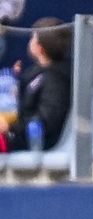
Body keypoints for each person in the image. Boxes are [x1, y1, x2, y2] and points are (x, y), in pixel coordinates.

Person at [4, 18, 69, 152]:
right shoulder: (37, 75)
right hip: (20, 136)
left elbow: (46, 120)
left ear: (39, 48)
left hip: (35, 143)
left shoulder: (55, 79)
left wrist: (10, 127)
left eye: (32, 38)